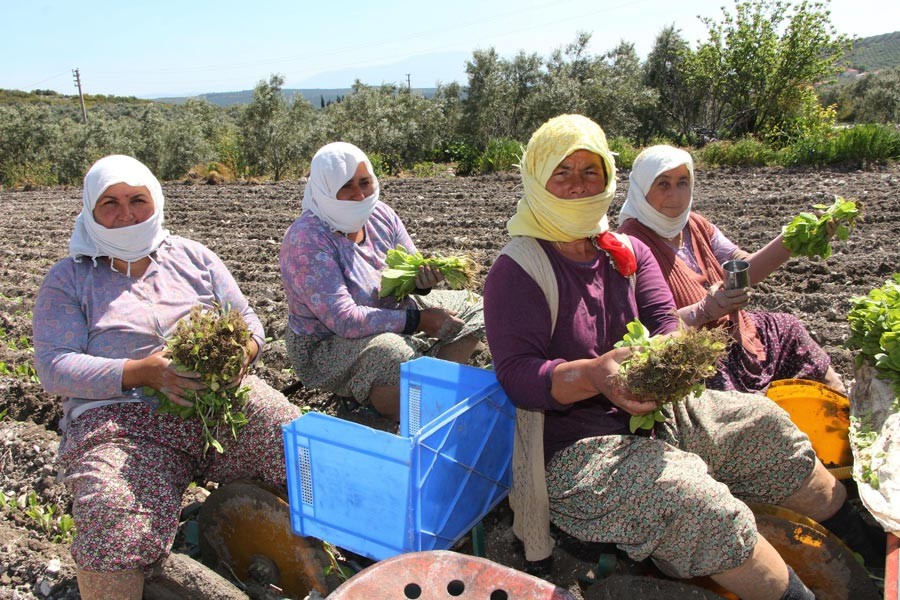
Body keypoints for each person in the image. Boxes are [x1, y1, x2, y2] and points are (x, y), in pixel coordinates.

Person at [483, 114, 881, 600]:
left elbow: (665, 325)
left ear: (608, 177)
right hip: (578, 449)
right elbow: (519, 376)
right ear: (537, 179)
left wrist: (657, 365)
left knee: (764, 424)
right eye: (561, 172)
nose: (577, 185)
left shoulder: (626, 251)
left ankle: (869, 552)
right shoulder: (518, 268)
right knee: (698, 505)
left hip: (659, 412)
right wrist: (595, 374)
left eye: (591, 171)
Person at [32, 155, 301, 600]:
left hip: (219, 407)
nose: (127, 214)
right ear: (90, 211)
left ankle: (323, 554)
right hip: (123, 423)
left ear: (155, 200)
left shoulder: (193, 257)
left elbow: (249, 322)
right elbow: (54, 366)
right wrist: (144, 372)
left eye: (137, 199)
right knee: (110, 512)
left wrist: (241, 357)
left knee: (296, 443)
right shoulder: (70, 279)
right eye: (110, 203)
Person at [279, 141, 483, 422]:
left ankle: (434, 396)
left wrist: (422, 281)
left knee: (475, 307)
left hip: (392, 310)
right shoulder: (307, 239)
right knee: (391, 352)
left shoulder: (380, 215)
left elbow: (409, 265)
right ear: (325, 188)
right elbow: (345, 320)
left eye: (365, 182)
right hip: (328, 341)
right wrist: (420, 321)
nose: (359, 194)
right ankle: (390, 411)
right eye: (347, 186)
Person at [617, 145, 845, 394]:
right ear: (642, 188)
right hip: (691, 354)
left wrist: (794, 238)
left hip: (734, 332)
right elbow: (644, 328)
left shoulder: (694, 224)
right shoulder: (629, 243)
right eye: (663, 184)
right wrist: (704, 311)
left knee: (789, 328)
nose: (676, 195)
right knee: (731, 399)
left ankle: (840, 408)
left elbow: (746, 267)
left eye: (683, 182)